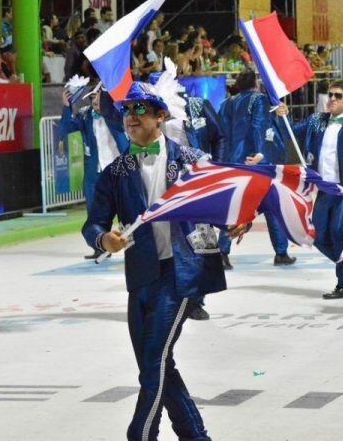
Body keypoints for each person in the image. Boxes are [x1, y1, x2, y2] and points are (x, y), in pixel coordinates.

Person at [82, 81, 238, 441]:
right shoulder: (116, 172)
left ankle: (140, 434)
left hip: (183, 272)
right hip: (141, 276)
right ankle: (194, 435)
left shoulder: (192, 161)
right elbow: (93, 223)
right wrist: (104, 238)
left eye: (140, 109)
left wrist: (236, 217)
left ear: (160, 116)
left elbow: (221, 201)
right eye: (126, 110)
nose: (131, 117)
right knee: (156, 363)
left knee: (154, 361)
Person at [146, 68, 226, 321]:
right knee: (161, 244)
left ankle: (196, 300)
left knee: (201, 242)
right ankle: (162, 296)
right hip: (161, 185)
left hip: (195, 185)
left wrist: (216, 169)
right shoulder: (147, 115)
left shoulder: (197, 106)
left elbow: (219, 136)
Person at [282, 79, 343, 299]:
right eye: (330, 94)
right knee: (319, 235)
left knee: (339, 234)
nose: (331, 99)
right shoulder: (316, 120)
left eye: (337, 96)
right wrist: (281, 116)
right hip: (323, 189)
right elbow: (290, 133)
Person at [219, 70, 297, 269]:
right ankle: (281, 252)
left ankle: (222, 253)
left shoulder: (227, 103)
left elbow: (222, 134)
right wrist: (261, 151)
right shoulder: (259, 99)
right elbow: (258, 126)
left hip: (233, 161)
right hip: (256, 161)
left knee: (233, 208)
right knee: (272, 205)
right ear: (255, 84)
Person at [60, 82, 129, 259]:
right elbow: (67, 128)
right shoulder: (85, 116)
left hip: (120, 171)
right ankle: (101, 246)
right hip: (95, 173)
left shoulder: (116, 114)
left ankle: (134, 246)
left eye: (98, 96)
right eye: (92, 97)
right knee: (94, 213)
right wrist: (67, 107)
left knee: (128, 210)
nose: (95, 101)